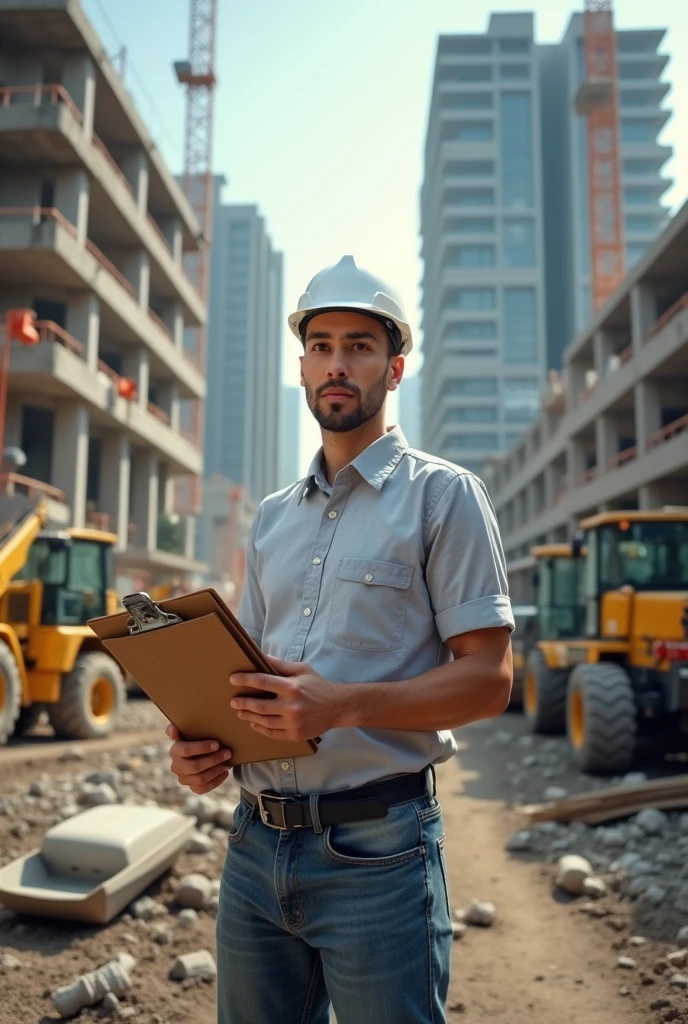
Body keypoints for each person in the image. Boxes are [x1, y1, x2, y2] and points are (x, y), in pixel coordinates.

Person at [167, 255, 514, 1024]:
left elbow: (490, 679)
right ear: (300, 367)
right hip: (254, 850)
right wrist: (201, 743)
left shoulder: (444, 497)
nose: (336, 363)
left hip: (378, 855)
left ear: (394, 368)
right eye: (321, 345)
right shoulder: (270, 518)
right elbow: (244, 676)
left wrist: (344, 705)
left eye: (358, 345)